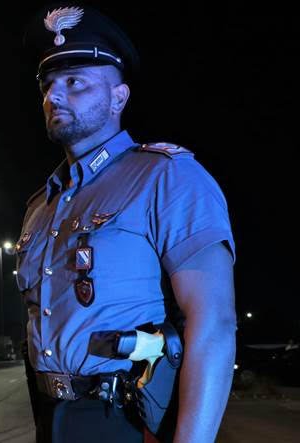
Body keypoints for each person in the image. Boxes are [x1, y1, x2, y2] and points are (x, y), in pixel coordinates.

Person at [16, 4, 237, 442]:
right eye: (47, 84)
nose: (54, 96)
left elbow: (213, 322)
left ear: (119, 98)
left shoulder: (166, 177)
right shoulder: (41, 206)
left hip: (128, 420)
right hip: (52, 417)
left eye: (75, 82)